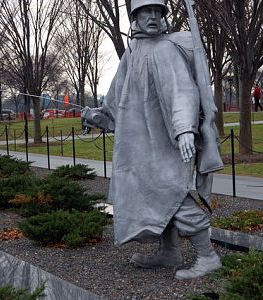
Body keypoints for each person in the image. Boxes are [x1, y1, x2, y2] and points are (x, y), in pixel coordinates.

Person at [82, 0, 223, 280]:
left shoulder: (165, 49)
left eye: (158, 12)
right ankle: (169, 250)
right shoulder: (133, 52)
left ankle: (208, 256)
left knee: (172, 193)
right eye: (147, 11)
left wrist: (184, 130)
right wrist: (97, 115)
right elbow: (117, 97)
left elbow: (181, 92)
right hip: (141, 145)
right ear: (135, 16)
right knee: (153, 197)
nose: (153, 17)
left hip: (166, 144)